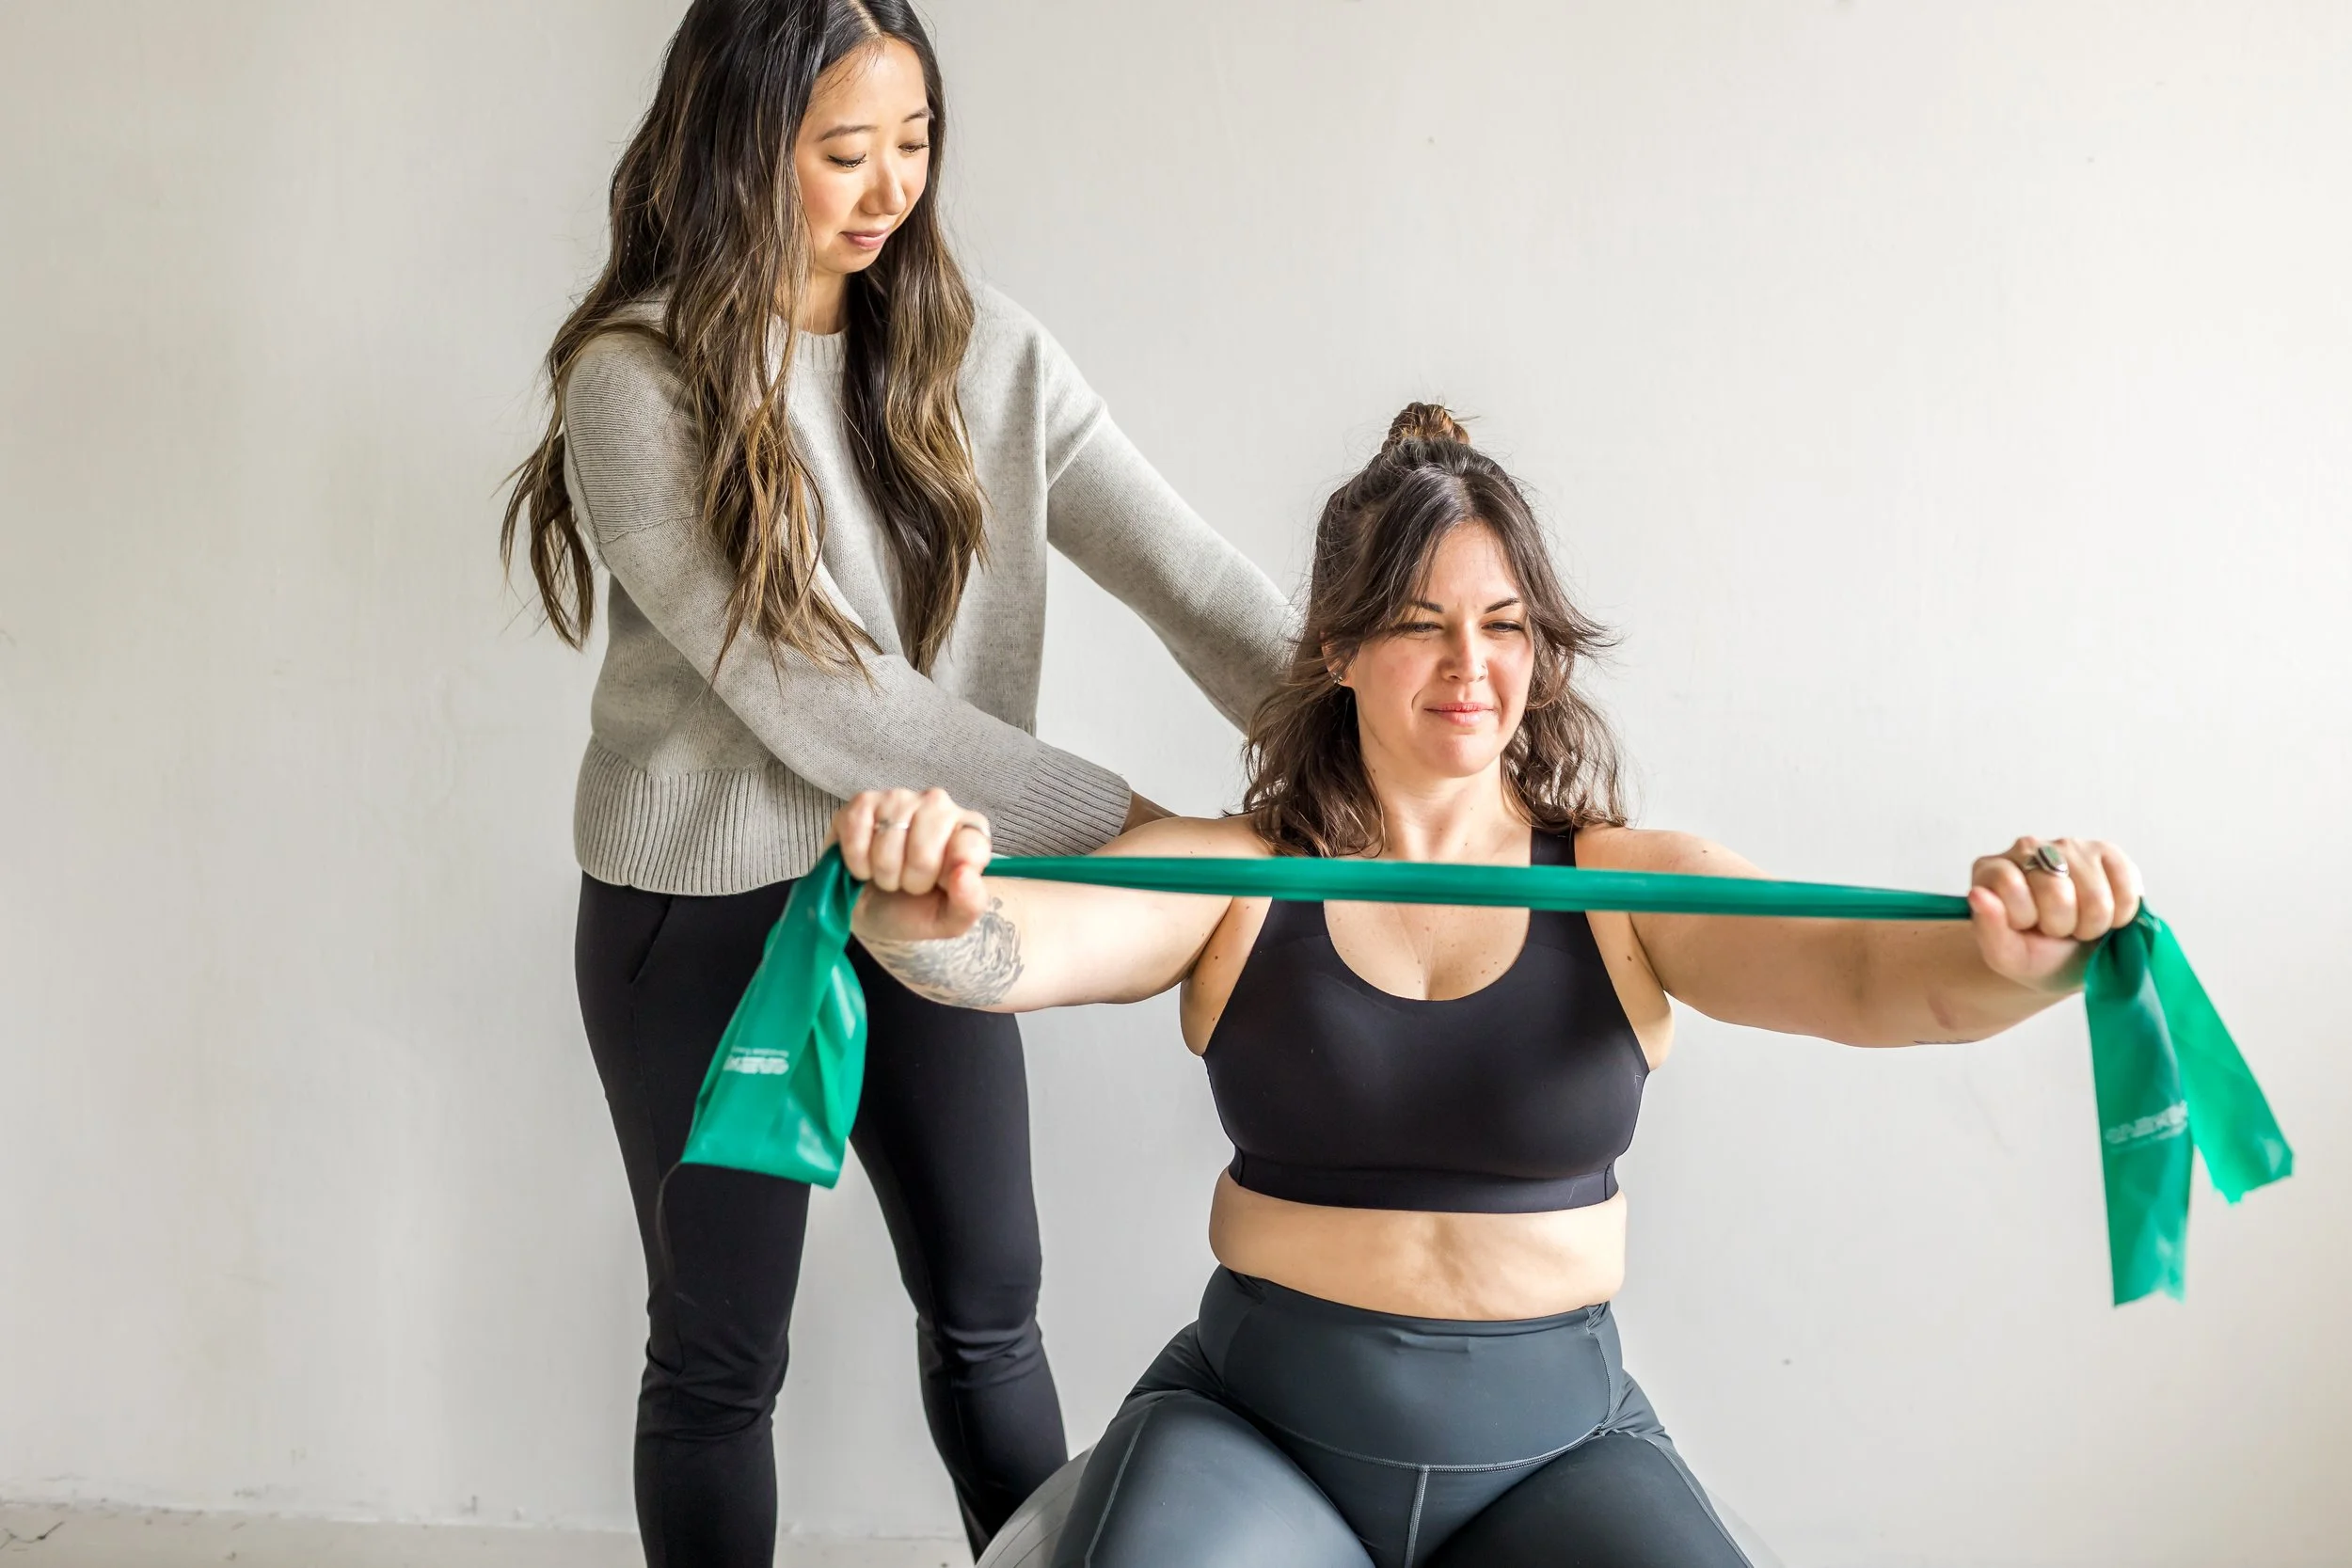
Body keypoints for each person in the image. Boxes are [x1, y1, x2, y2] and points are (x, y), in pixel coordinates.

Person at [832, 404, 2145, 1568]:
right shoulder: (1238, 873)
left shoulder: (1634, 887)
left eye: (1505, 626)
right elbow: (1022, 944)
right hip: (1257, 1435)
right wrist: (927, 901)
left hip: (1557, 1450)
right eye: (1421, 625)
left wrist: (2014, 951)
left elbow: (1867, 978)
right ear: (1339, 648)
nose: (1472, 667)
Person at [500, 3, 1292, 1562]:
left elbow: (1192, 579)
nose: (890, 192)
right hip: (702, 922)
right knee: (722, 1354)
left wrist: (1373, 746)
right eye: (844, 153)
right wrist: (1143, 841)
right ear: (736, 149)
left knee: (993, 1310)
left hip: (927, 888)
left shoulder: (984, 349)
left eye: (914, 145)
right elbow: (829, 697)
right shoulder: (636, 384)